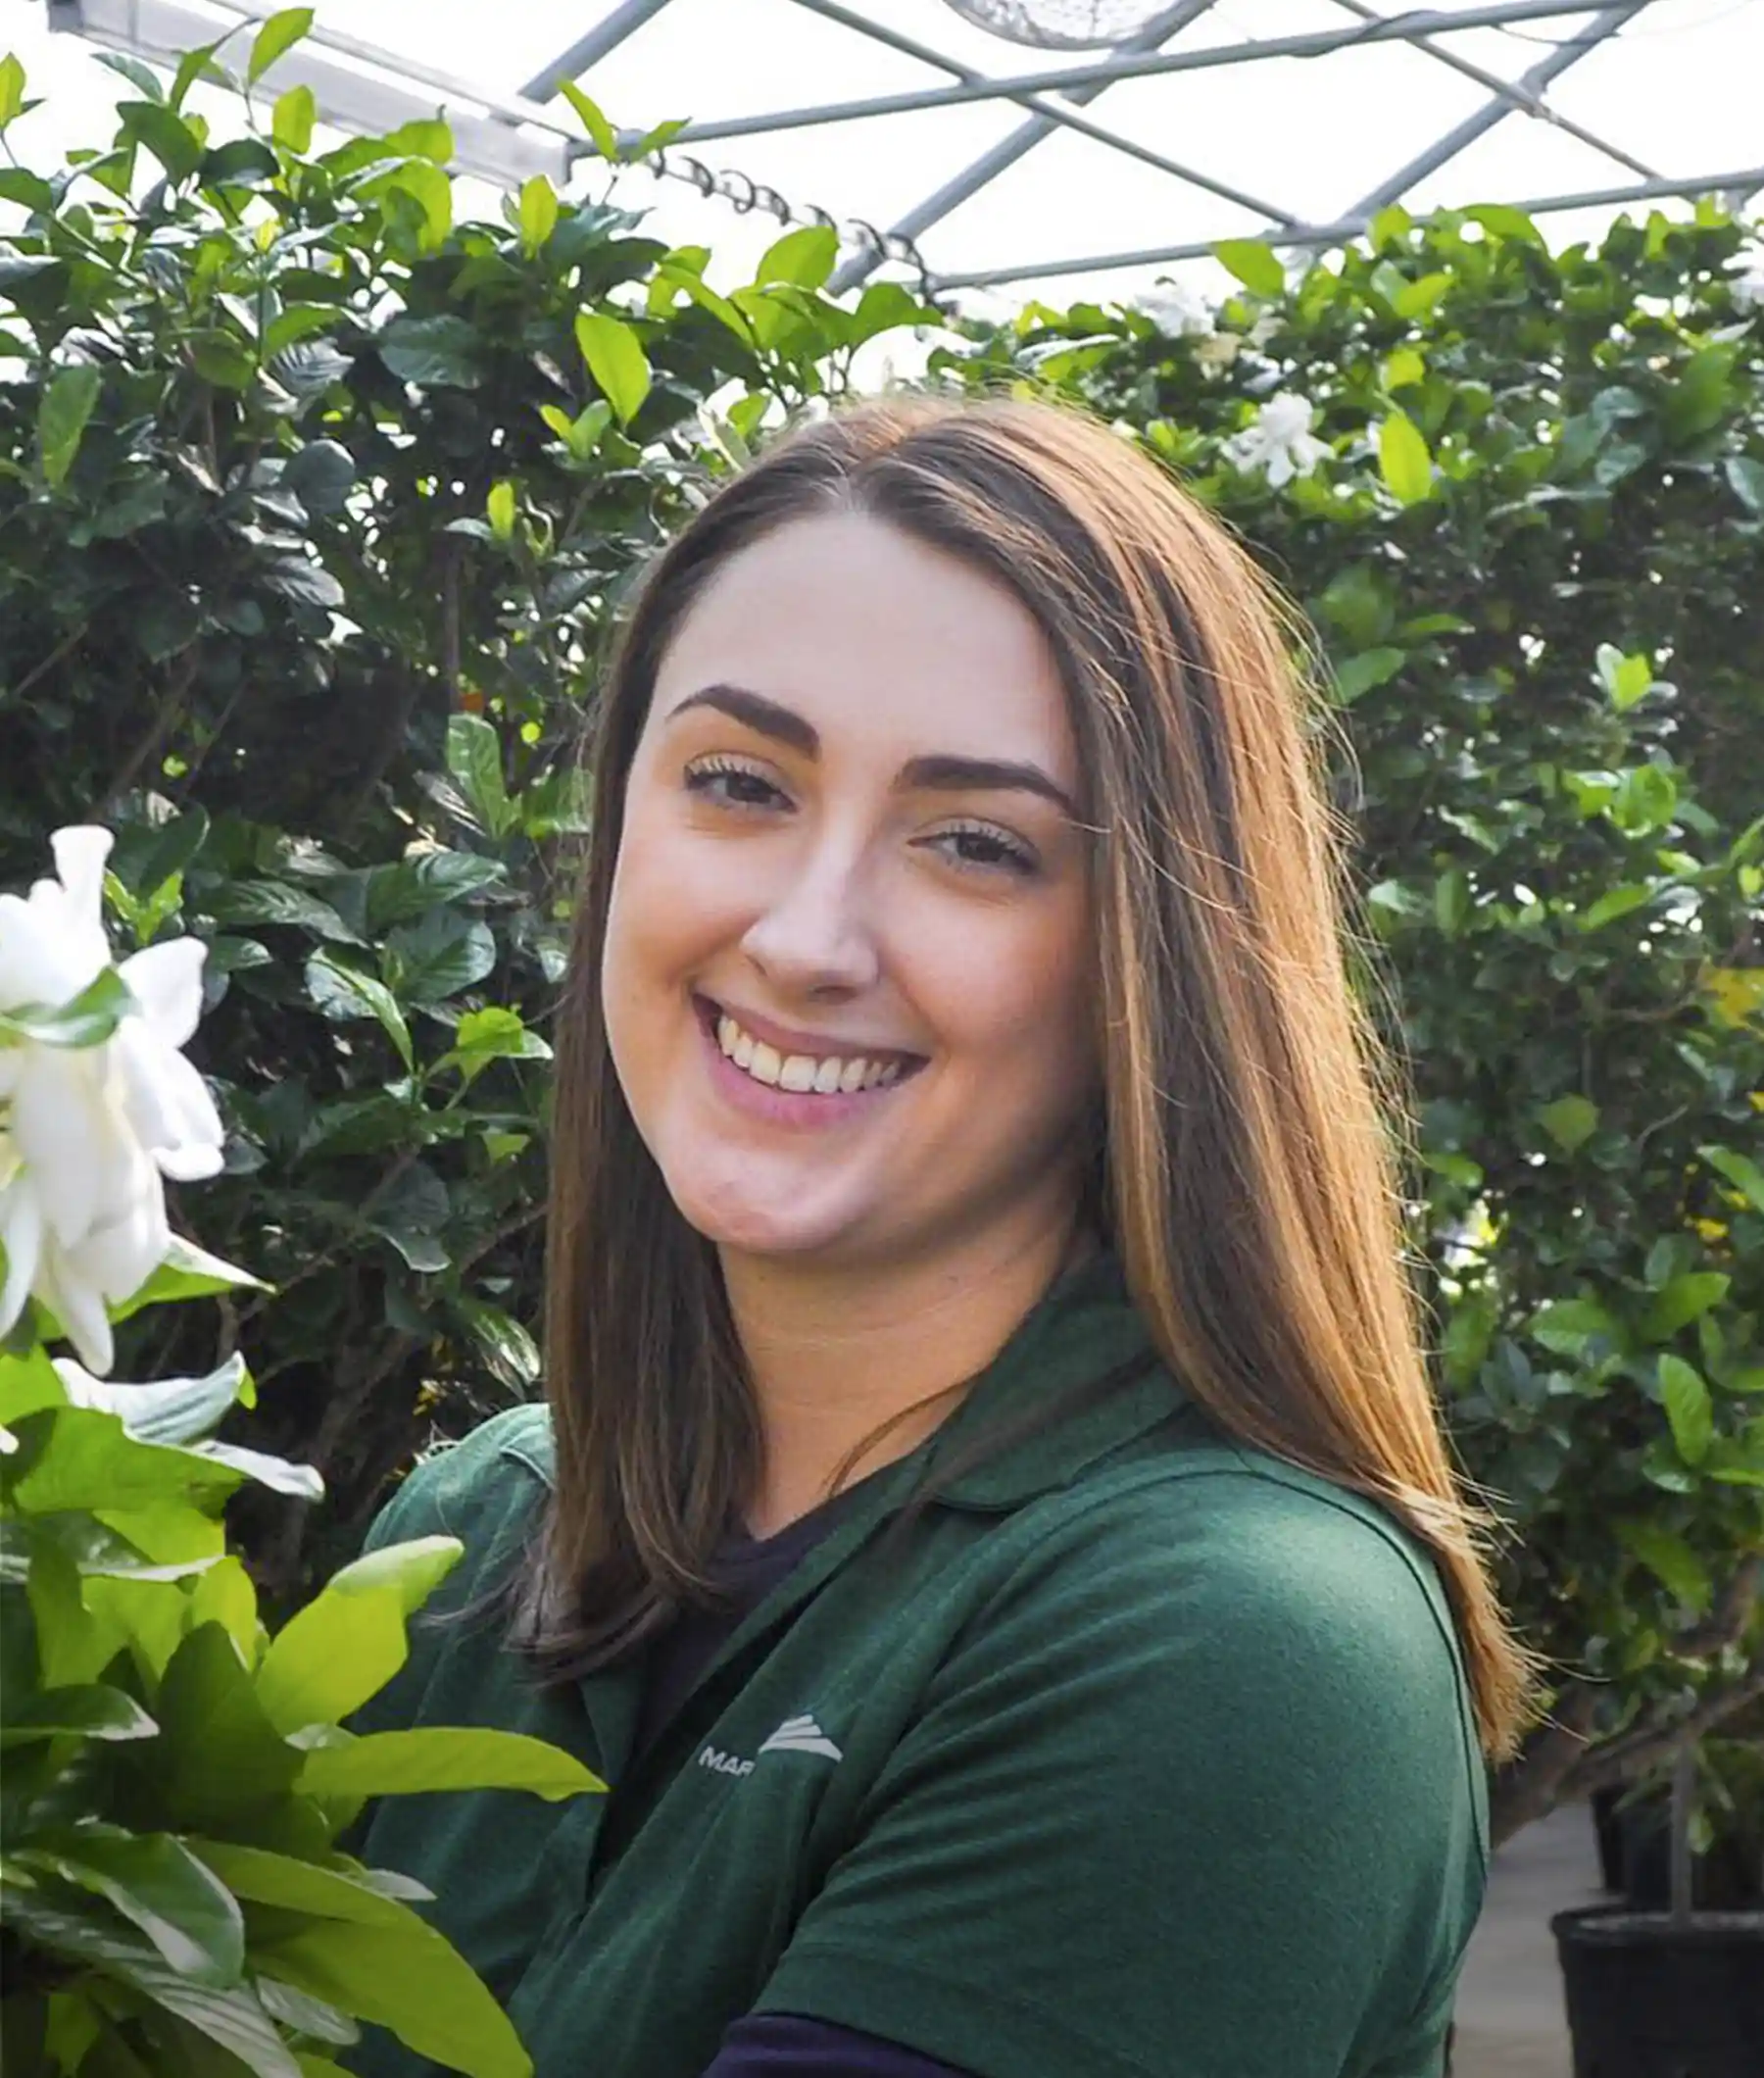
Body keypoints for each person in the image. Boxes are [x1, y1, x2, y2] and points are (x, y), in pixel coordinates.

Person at [345, 393, 1538, 2078]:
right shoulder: (473, 1532)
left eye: (975, 844)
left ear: (1152, 965)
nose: (808, 936)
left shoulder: (1240, 1637)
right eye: (740, 783)